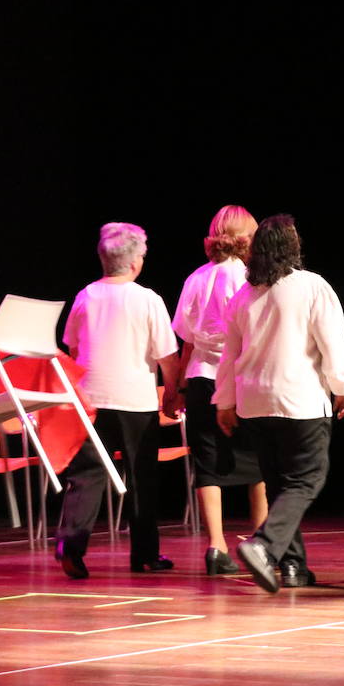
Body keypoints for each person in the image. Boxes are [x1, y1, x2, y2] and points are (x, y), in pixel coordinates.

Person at [216, 215, 344, 594]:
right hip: (299, 400)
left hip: (255, 403)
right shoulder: (311, 286)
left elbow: (229, 356)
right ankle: (264, 546)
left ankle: (294, 566)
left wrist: (224, 402)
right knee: (308, 477)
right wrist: (343, 385)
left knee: (280, 485)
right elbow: (333, 343)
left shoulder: (244, 297)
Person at [56, 222, 181, 578]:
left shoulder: (86, 296)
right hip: (135, 403)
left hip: (92, 399)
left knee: (87, 475)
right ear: (134, 262)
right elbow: (166, 356)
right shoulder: (147, 299)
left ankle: (71, 543)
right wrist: (172, 394)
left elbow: (74, 347)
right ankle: (144, 554)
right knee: (142, 478)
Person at [170, 205, 268, 575]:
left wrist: (176, 387)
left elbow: (187, 340)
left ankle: (216, 546)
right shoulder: (249, 277)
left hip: (199, 379)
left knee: (208, 464)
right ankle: (261, 542)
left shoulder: (196, 278)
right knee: (258, 463)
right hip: (238, 379)